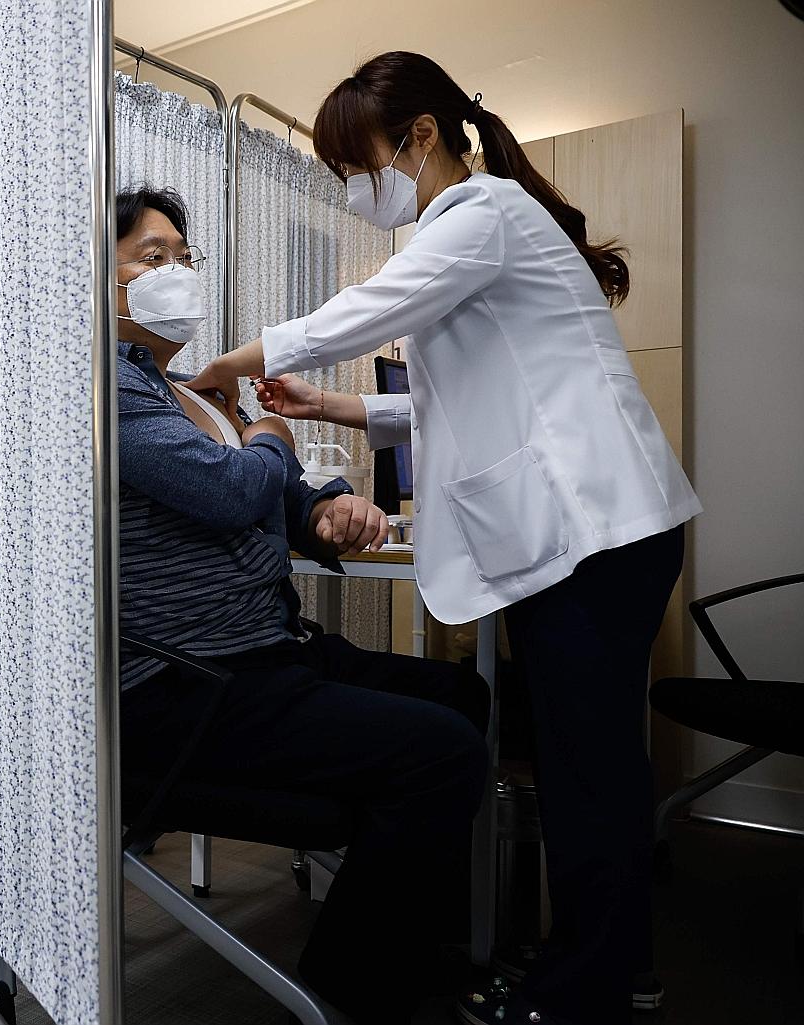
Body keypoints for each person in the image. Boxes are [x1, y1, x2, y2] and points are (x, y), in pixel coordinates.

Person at [189, 53, 700, 1025]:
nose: (353, 188)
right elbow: (446, 404)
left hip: (590, 531)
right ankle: (610, 966)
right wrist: (329, 400)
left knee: (589, 777)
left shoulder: (482, 218)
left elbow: (360, 314)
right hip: (595, 532)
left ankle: (582, 991)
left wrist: (227, 365)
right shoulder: (483, 225)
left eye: (356, 165)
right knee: (589, 768)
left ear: (421, 136)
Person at [114, 186, 489, 1025]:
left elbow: (274, 497)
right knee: (442, 751)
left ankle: (419, 939)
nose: (175, 272)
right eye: (150, 257)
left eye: (182, 256)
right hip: (187, 684)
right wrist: (274, 440)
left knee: (463, 694)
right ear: (97, 281)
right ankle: (349, 983)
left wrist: (326, 508)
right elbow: (226, 490)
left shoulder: (190, 391)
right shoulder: (106, 390)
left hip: (268, 653)